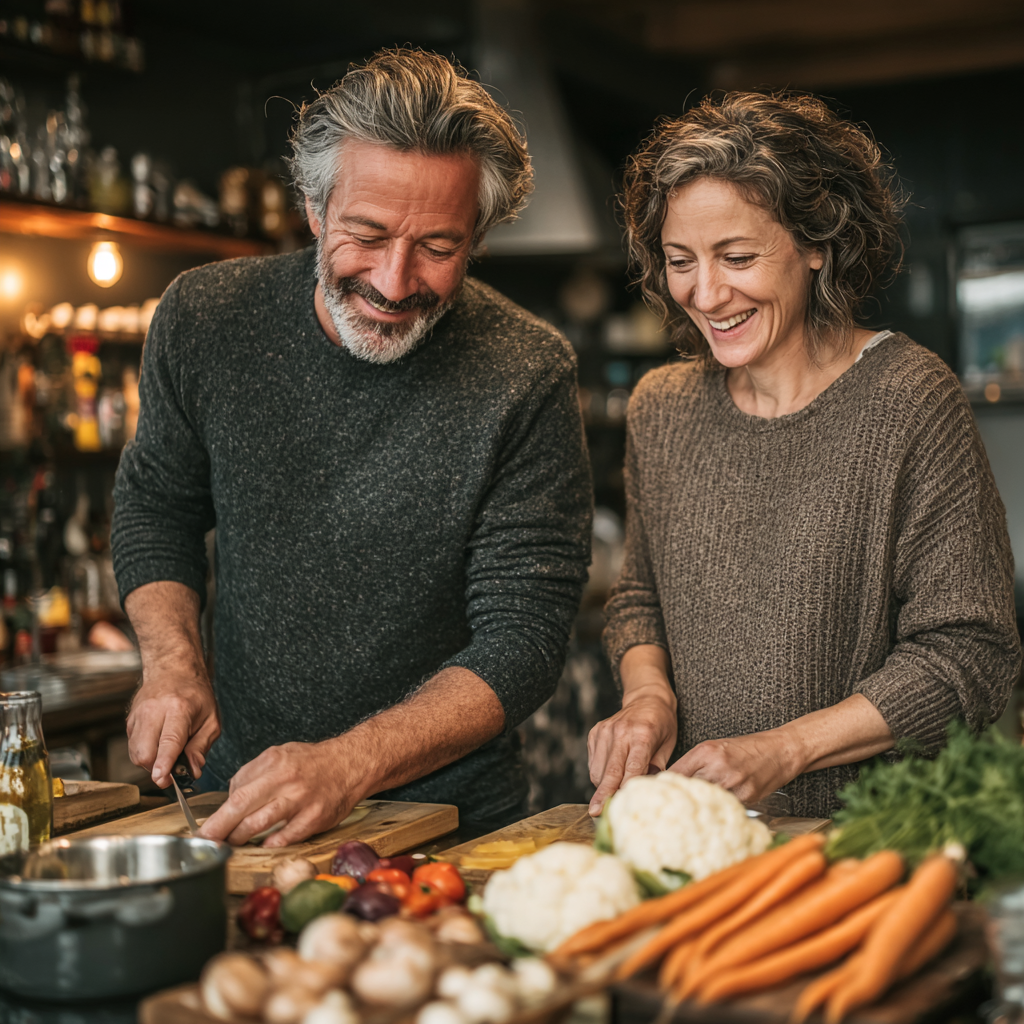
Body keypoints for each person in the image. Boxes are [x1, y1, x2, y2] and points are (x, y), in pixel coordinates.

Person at [112, 49, 592, 847]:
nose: (395, 281)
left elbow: (523, 638)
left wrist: (350, 762)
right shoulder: (205, 319)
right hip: (242, 801)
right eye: (367, 235)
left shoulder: (528, 372)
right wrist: (172, 664)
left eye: (438, 247)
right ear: (313, 206)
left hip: (450, 826)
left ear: (479, 234)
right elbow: (157, 504)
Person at [588, 92, 1021, 820]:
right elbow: (639, 599)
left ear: (817, 242)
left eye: (738, 256)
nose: (707, 291)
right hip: (708, 841)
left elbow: (969, 654)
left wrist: (784, 750)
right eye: (680, 261)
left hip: (868, 843)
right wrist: (647, 696)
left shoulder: (910, 399)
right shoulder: (661, 407)